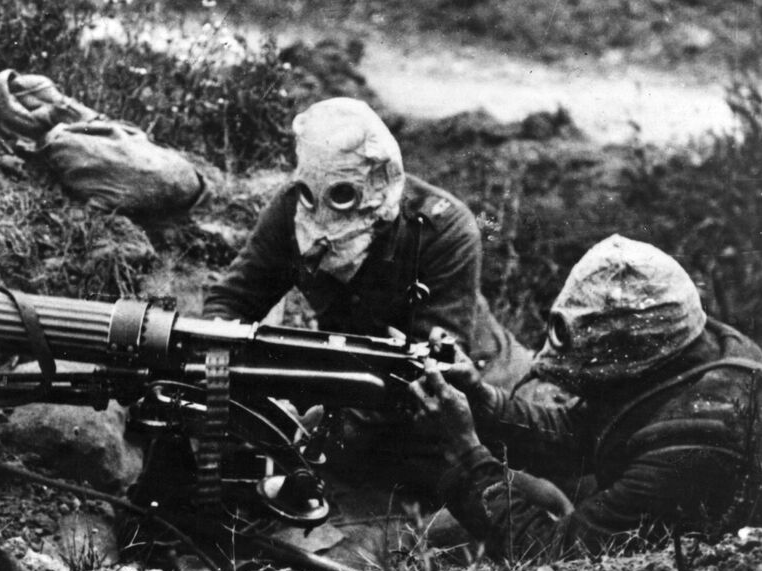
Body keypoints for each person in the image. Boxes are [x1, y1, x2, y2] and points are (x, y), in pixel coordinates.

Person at [202, 97, 537, 504]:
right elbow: (232, 299)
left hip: (478, 392)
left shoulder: (443, 229)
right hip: (359, 388)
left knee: (478, 499)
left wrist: (313, 430)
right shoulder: (293, 210)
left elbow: (430, 375)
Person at [409, 234, 762, 560]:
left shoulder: (696, 443)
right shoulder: (684, 347)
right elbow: (581, 432)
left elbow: (553, 555)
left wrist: (467, 454)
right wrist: (485, 403)